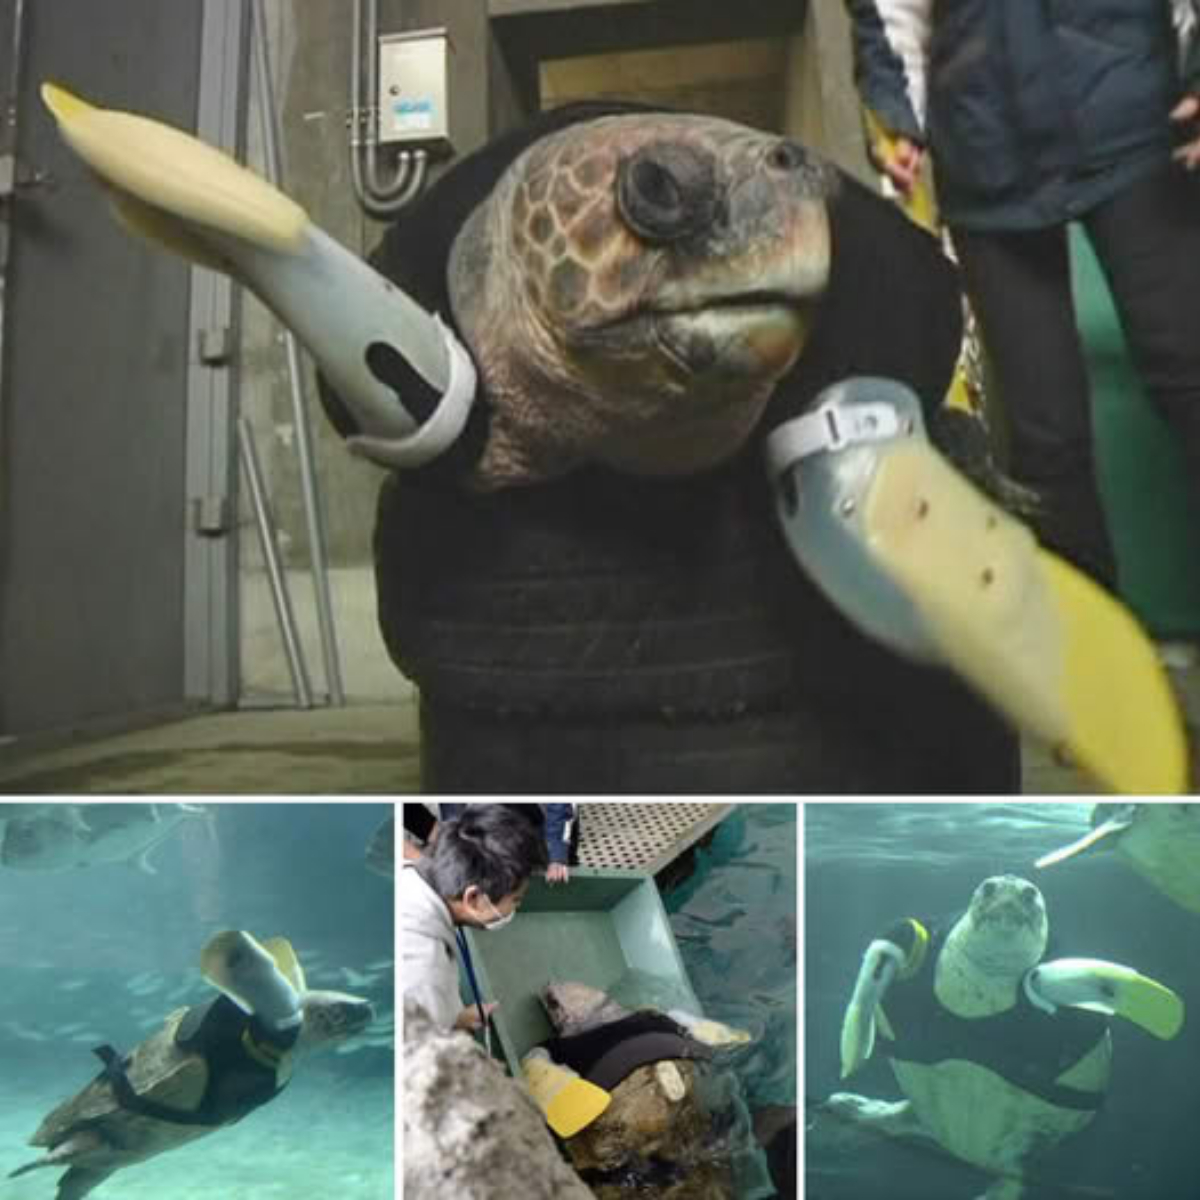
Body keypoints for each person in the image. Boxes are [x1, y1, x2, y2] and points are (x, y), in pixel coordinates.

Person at [845, 1, 1200, 658]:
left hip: (1134, 120)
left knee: (1190, 376)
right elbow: (888, 13)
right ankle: (1103, 673)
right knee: (1045, 441)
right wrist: (895, 117)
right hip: (986, 150)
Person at [401, 805, 548, 1033]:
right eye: (516, 900)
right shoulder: (423, 978)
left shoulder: (413, 876)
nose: (516, 908)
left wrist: (456, 1020)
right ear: (474, 899)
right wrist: (449, 1027)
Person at [425, 803, 581, 884]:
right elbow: (454, 812)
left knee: (557, 869)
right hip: (489, 811)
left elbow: (562, 804)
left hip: (547, 816)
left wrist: (557, 853)